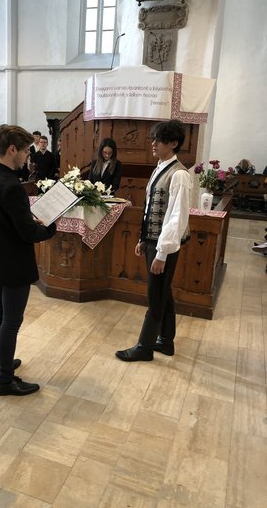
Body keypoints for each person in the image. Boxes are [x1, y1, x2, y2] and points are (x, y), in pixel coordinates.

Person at [0, 124, 56, 396]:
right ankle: (5, 380)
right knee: (10, 321)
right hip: (13, 262)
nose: (27, 156)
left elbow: (8, 221)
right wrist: (50, 227)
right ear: (12, 149)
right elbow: (27, 233)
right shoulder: (11, 185)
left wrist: (28, 221)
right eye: (25, 151)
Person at [115, 119, 192, 362]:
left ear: (174, 143)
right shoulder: (160, 167)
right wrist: (142, 238)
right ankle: (166, 341)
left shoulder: (179, 175)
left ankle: (144, 347)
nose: (153, 143)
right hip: (152, 240)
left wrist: (161, 253)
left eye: (159, 140)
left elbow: (177, 218)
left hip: (163, 245)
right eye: (153, 139)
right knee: (163, 291)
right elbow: (151, 208)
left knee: (155, 295)